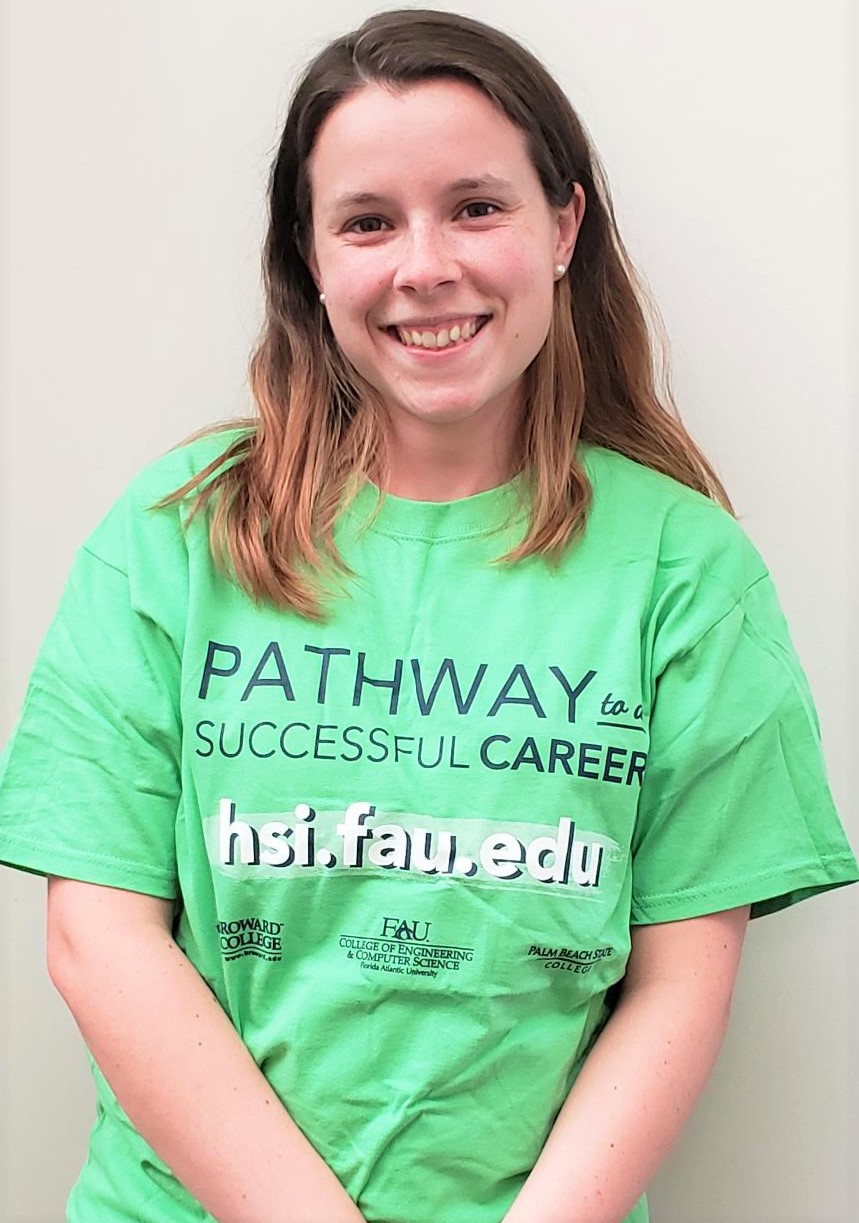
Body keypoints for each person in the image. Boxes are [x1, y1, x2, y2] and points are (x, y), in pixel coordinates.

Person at [0, 8, 856, 1223]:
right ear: (307, 257)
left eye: (475, 206)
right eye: (366, 221)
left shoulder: (687, 572)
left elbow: (679, 982)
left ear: (562, 227)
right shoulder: (171, 539)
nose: (423, 266)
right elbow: (98, 936)